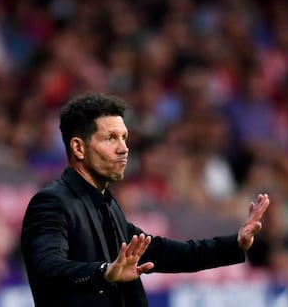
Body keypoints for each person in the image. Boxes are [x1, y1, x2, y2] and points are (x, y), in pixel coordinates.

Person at [20, 93, 270, 307]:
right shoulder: (51, 202)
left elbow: (160, 251)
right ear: (78, 148)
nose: (124, 148)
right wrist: (104, 272)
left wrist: (234, 243)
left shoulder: (107, 204)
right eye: (110, 138)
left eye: (124, 137)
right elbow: (47, 268)